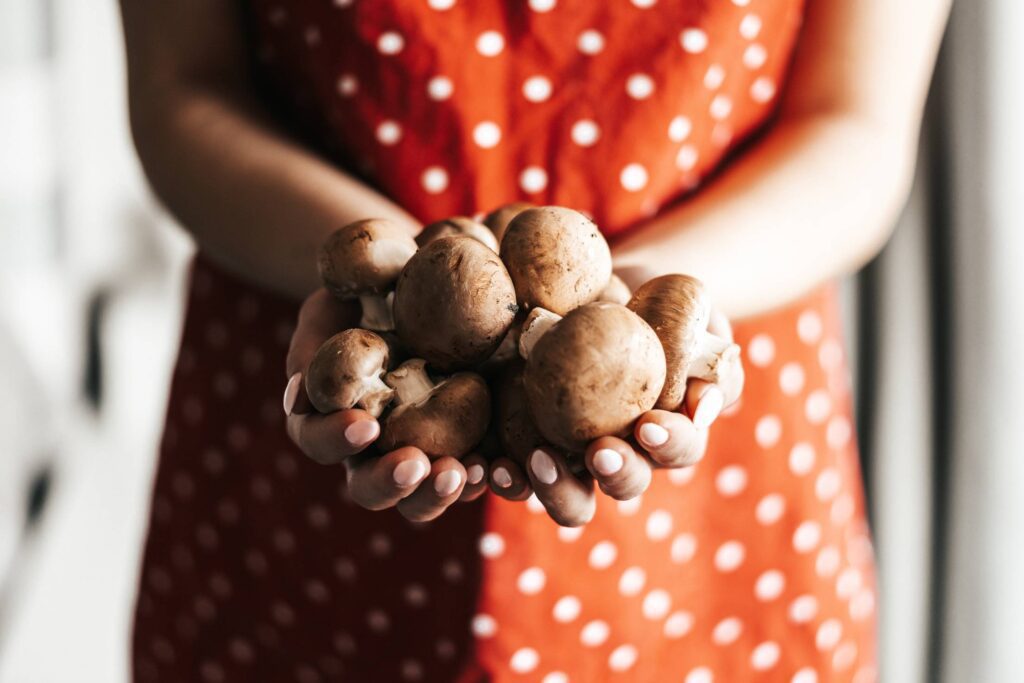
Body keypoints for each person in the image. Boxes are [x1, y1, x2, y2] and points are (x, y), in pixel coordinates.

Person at [121, 0, 949, 680]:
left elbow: (857, 122)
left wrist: (647, 299)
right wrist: (385, 282)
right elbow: (183, 91)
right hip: (306, 444)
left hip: (716, 470)